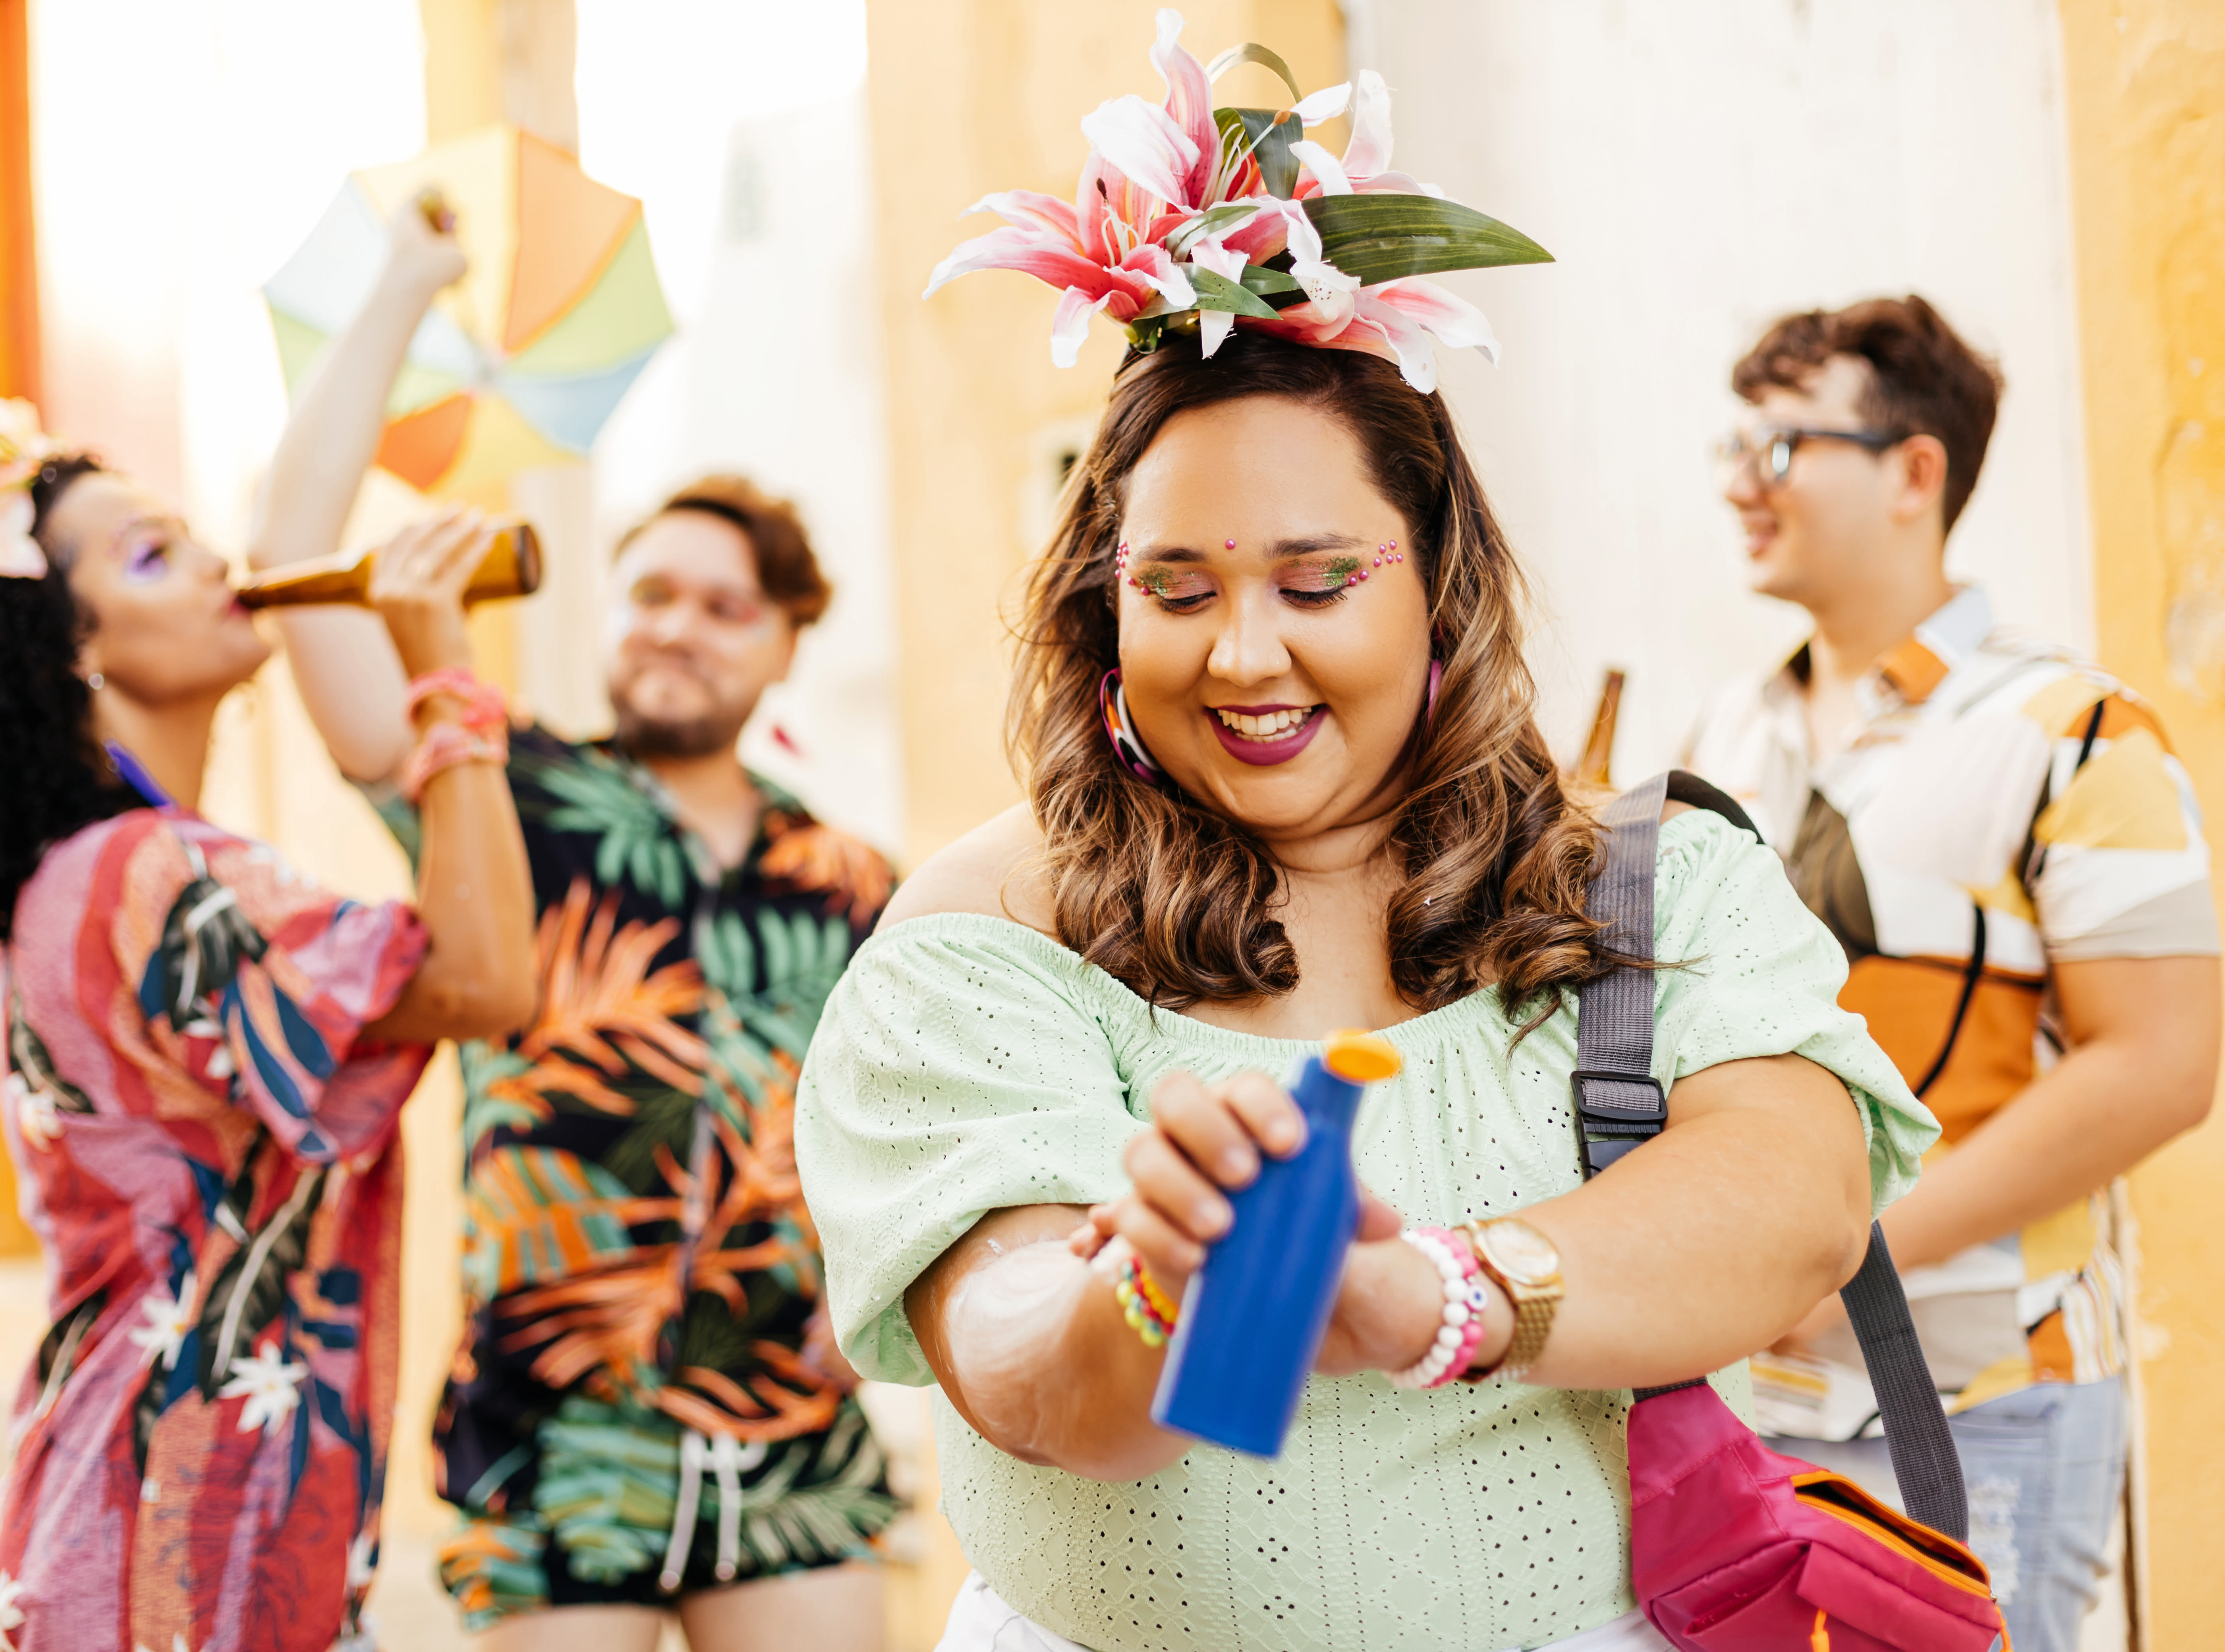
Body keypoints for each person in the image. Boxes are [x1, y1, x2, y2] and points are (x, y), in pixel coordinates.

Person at [792, 23, 1941, 1649]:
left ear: (1439, 593)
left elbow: (1796, 1198)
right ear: (1101, 613)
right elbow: (1025, 1365)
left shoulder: (1648, 870)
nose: (1245, 652)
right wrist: (1157, 1277)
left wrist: (1442, 1295)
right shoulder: (989, 925)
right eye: (1177, 591)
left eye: (1318, 582)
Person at [0, 226, 535, 1651]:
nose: (213, 563)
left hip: (156, 1544)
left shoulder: (95, 876)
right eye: (151, 552)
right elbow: (488, 979)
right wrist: (446, 682)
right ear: (77, 646)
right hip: (177, 1563)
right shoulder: (154, 877)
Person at [257, 276, 901, 1644]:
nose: (676, 626)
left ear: (789, 645)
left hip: (791, 1437)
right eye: (651, 592)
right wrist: (407, 291)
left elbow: (916, 1131)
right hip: (551, 1440)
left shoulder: (858, 885)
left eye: (727, 609)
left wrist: (880, 1296)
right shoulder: (506, 792)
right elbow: (293, 555)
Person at [1685, 295, 2220, 1651]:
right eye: (1731, 449)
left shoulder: (2076, 727)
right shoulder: (1724, 733)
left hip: (1992, 1389)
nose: (1744, 484)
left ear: (1914, 472)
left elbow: (2161, 1066)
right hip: (1755, 1396)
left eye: (1781, 446)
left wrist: (1841, 1257)